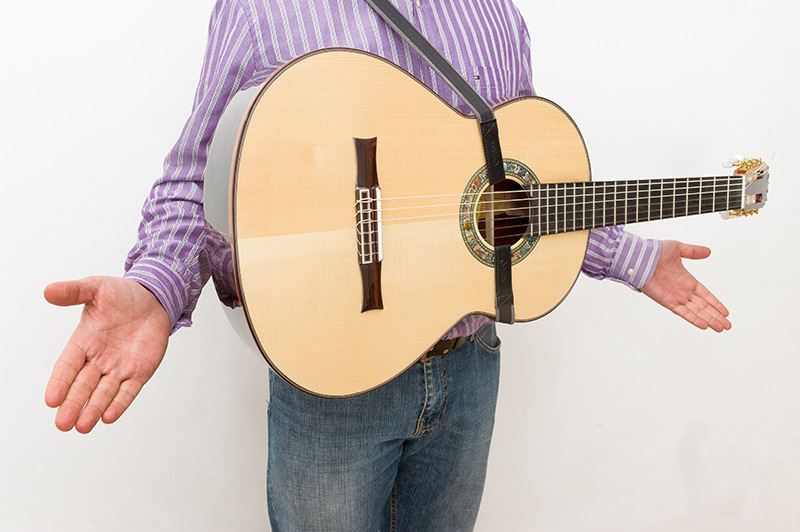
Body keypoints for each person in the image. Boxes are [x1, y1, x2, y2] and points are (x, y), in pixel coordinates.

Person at [44, 0, 732, 529]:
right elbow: (200, 173)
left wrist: (635, 257)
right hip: (333, 387)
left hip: (471, 366)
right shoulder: (264, 9)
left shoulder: (490, 9)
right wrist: (156, 289)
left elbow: (510, 180)